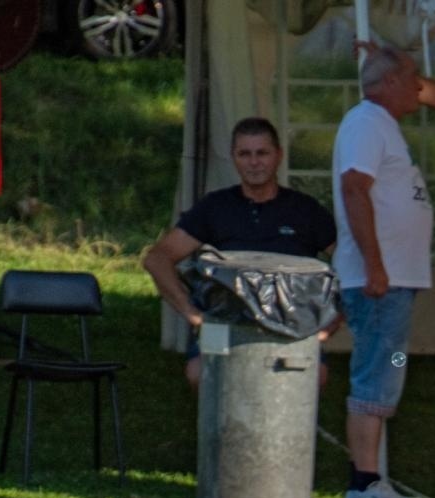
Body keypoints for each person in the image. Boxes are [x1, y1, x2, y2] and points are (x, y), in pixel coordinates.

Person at [142, 117, 338, 390]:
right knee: (198, 373)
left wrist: (329, 325)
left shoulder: (305, 210)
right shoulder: (215, 207)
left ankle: (287, 433)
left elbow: (353, 267)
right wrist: (193, 315)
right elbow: (157, 258)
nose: (254, 162)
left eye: (262, 153)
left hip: (292, 324)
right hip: (223, 322)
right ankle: (224, 432)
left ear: (278, 155)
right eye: (244, 154)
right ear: (233, 157)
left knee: (315, 375)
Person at [332, 44, 433, 498]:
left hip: (392, 276)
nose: (419, 86)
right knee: (376, 375)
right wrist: (374, 264)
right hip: (381, 279)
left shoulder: (378, 124)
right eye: (412, 76)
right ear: (388, 82)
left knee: (382, 374)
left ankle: (370, 480)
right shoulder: (367, 122)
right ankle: (365, 482)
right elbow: (355, 187)